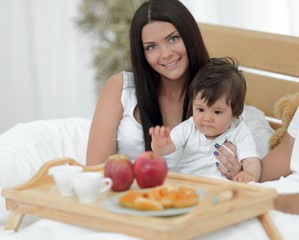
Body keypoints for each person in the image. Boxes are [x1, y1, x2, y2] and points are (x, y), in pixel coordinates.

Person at [86, 0, 240, 172]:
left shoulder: (220, 91)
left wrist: (237, 170)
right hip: (127, 195)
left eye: (173, 38)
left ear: (189, 36)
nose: (166, 54)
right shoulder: (121, 87)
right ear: (142, 53)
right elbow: (95, 170)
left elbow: (242, 157)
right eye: (151, 47)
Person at [150, 57, 261, 183]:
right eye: (200, 110)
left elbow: (251, 160)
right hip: (188, 184)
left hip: (220, 189)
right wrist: (160, 144)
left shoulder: (239, 132)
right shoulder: (189, 127)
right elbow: (167, 148)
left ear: (235, 112)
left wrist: (249, 174)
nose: (207, 118)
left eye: (217, 112)